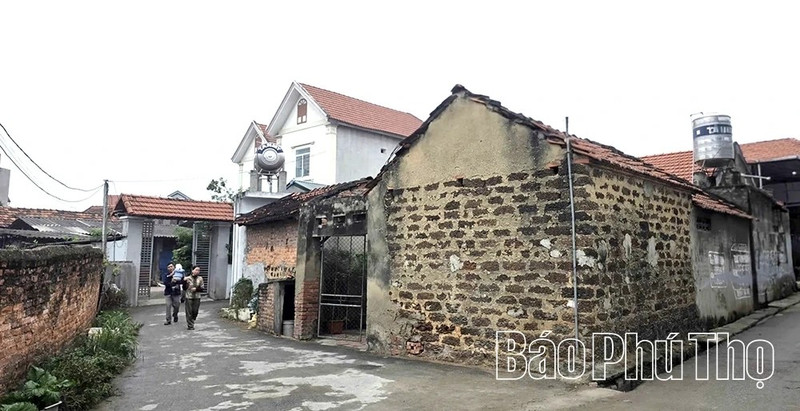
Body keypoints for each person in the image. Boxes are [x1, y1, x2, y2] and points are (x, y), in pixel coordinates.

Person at [184, 265, 204, 330]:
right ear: (192, 270)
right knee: (189, 311)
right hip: (189, 296)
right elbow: (184, 288)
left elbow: (202, 288)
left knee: (195, 311)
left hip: (197, 297)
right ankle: (190, 325)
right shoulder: (188, 278)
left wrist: (196, 289)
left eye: (199, 270)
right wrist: (185, 282)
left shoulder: (200, 278)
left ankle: (193, 319)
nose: (197, 271)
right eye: (196, 270)